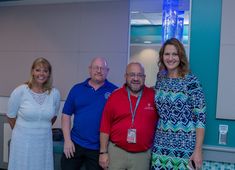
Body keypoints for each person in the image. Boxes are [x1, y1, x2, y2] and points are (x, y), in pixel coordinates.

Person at [151, 38, 206, 170]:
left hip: (185, 148)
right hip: (160, 146)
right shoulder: (160, 79)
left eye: (174, 54)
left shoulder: (191, 81)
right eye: (167, 54)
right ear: (162, 56)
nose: (170, 58)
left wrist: (198, 151)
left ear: (180, 56)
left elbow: (201, 119)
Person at [61, 57, 117, 170]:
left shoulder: (115, 92)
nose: (99, 70)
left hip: (99, 148)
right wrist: (67, 141)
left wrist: (105, 151)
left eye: (102, 68)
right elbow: (66, 115)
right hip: (75, 143)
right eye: (96, 67)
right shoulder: (77, 89)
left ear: (107, 71)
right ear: (90, 69)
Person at [99, 62, 158, 170]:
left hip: (142, 156)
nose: (136, 78)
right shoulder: (114, 96)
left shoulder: (153, 96)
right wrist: (103, 152)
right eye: (132, 75)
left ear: (144, 77)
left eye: (139, 75)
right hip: (117, 152)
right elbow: (105, 126)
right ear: (125, 76)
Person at [6, 57, 61, 170]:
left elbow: (53, 116)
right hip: (22, 141)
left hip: (44, 141)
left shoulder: (54, 93)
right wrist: (23, 132)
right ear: (32, 72)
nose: (41, 74)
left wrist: (41, 127)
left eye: (45, 71)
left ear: (49, 74)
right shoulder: (20, 91)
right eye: (38, 70)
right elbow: (11, 116)